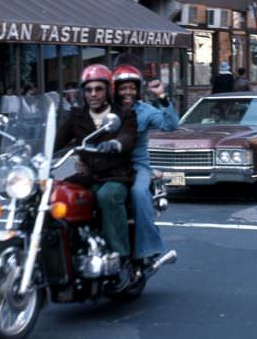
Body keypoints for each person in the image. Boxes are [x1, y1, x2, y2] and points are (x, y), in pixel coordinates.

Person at [55, 64, 137, 258]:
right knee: (56, 193)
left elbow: (128, 136)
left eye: (98, 89)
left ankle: (118, 254)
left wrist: (116, 143)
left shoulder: (123, 113)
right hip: (89, 175)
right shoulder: (77, 116)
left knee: (107, 196)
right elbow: (57, 140)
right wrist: (33, 148)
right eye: (88, 89)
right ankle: (66, 251)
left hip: (116, 175)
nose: (93, 94)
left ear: (108, 90)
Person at [112, 58, 179, 262]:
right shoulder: (107, 110)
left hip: (137, 166)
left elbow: (170, 125)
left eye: (132, 88)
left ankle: (150, 247)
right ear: (115, 90)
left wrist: (161, 96)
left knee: (139, 191)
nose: (127, 93)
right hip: (109, 165)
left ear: (138, 89)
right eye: (123, 88)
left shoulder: (146, 110)